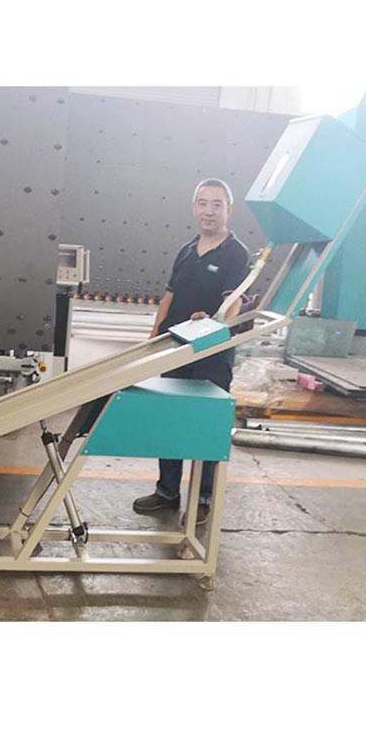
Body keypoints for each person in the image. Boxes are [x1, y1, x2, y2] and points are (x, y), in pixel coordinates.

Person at [132, 178, 250, 525]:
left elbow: (234, 303)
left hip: (211, 357)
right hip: (175, 350)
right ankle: (167, 492)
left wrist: (213, 323)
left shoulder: (236, 253)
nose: (209, 211)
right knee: (170, 420)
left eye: (217, 204)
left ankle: (203, 498)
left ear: (229, 210)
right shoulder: (186, 251)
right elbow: (169, 297)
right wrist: (153, 337)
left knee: (204, 426)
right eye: (203, 203)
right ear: (194, 208)